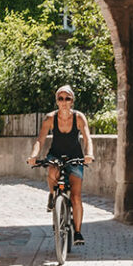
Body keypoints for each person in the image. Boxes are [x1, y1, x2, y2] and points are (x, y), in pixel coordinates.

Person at [27, 84, 94, 245]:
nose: (64, 102)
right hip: (56, 155)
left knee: (76, 197)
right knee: (51, 171)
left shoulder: (79, 117)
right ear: (57, 101)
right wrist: (33, 155)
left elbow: (87, 138)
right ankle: (53, 195)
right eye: (61, 98)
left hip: (75, 157)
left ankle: (77, 232)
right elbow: (40, 139)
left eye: (67, 98)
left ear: (72, 101)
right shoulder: (50, 118)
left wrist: (89, 154)